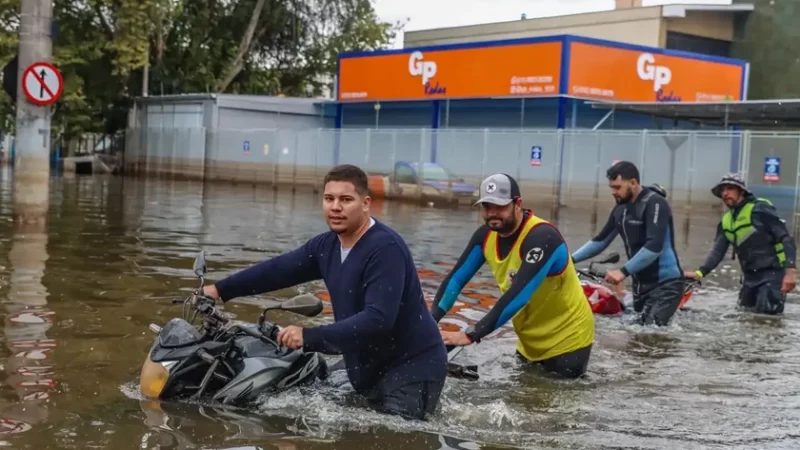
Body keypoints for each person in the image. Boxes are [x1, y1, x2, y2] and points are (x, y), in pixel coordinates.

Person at [199, 164, 447, 421]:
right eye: (329, 199)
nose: (335, 207)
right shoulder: (326, 246)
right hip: (368, 367)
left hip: (412, 368)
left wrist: (309, 336)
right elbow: (278, 270)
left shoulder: (385, 249)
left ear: (366, 204)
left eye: (346, 199)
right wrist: (219, 289)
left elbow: (378, 319)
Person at [431, 173, 595, 379]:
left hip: (569, 339)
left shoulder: (543, 237)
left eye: (500, 206)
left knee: (553, 407)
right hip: (530, 341)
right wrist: (428, 323)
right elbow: (456, 280)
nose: (492, 213)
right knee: (523, 399)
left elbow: (519, 295)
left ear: (518, 204)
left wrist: (471, 334)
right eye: (487, 207)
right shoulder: (485, 236)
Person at [571, 161, 685, 326]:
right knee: (635, 338)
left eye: (618, 187)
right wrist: (568, 260)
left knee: (652, 335)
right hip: (640, 287)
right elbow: (600, 241)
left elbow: (654, 247)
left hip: (666, 285)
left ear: (633, 182)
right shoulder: (620, 210)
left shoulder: (655, 203)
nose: (614, 192)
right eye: (611, 188)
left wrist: (623, 271)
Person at [684, 173, 797, 315]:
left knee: (767, 320)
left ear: (741, 191)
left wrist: (791, 271)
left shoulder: (760, 209)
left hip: (772, 275)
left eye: (730, 188)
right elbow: (718, 252)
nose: (725, 193)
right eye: (722, 190)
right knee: (744, 317)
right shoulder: (726, 221)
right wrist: (699, 273)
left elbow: (786, 238)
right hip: (749, 278)